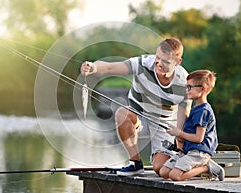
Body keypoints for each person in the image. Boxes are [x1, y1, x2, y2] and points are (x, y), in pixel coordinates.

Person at [80, 38, 191, 176]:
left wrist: (180, 140)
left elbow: (183, 118)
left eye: (166, 62)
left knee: (160, 169)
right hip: (138, 116)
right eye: (158, 58)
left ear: (178, 62)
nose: (159, 64)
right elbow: (109, 67)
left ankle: (193, 163)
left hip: (164, 125)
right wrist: (93, 67)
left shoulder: (184, 83)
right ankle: (135, 163)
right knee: (122, 113)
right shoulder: (143, 63)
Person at [159, 70, 225, 181]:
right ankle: (202, 166)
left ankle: (207, 167)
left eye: (190, 87)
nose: (187, 90)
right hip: (188, 151)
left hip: (199, 152)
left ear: (203, 89)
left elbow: (198, 138)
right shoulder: (196, 109)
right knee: (164, 172)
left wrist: (178, 133)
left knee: (175, 176)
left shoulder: (203, 111)